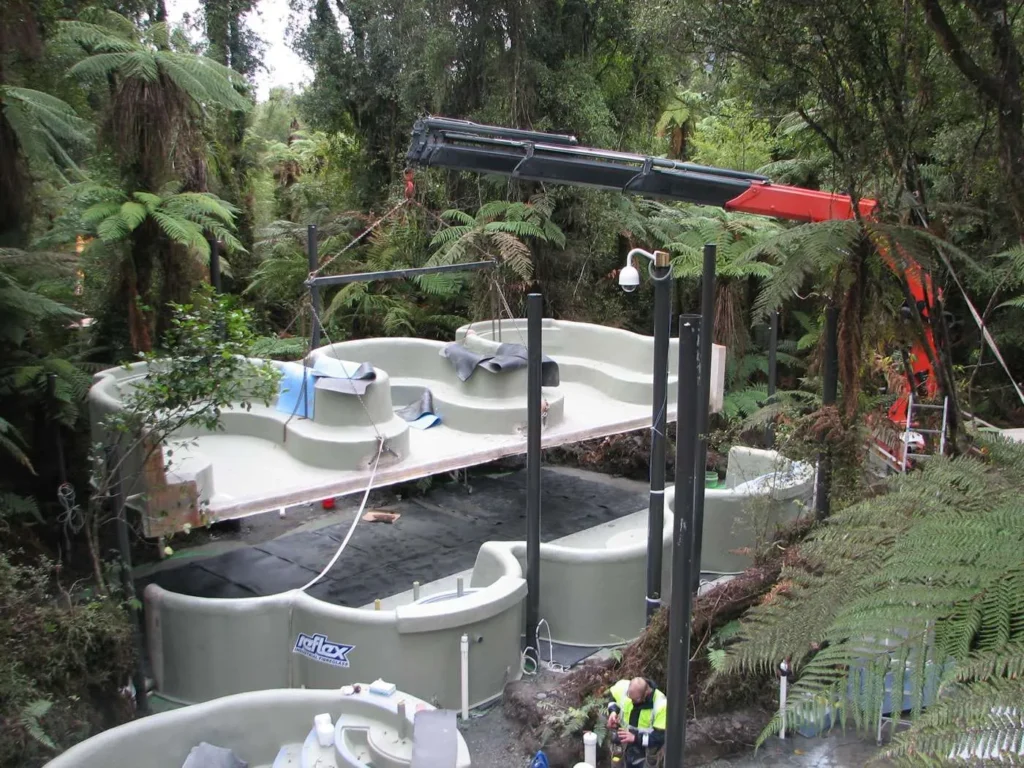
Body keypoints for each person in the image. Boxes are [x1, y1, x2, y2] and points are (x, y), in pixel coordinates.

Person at [605, 676, 667, 767]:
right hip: (625, 744)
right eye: (630, 698)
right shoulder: (623, 687)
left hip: (645, 749)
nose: (632, 702)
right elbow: (612, 698)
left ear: (646, 693)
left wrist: (635, 738)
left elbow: (660, 738)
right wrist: (613, 712)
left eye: (635, 700)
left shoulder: (661, 705)